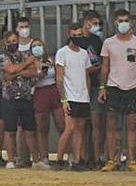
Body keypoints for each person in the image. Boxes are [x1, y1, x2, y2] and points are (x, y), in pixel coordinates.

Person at [99, 9, 136, 172]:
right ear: (115, 23)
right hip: (113, 86)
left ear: (131, 22)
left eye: (126, 20)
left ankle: (132, 160)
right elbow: (105, 67)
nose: (123, 23)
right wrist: (102, 87)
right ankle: (112, 160)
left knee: (132, 125)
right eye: (120, 20)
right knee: (111, 125)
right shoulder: (108, 43)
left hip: (132, 87)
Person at [54, 25, 92, 171]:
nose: (78, 37)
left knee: (80, 130)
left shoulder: (84, 53)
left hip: (82, 97)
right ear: (70, 36)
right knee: (69, 128)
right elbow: (59, 78)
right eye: (75, 35)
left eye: (80, 34)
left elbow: (86, 75)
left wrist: (86, 94)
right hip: (69, 96)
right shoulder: (62, 52)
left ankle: (77, 160)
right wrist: (63, 99)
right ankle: (59, 159)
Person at [1, 31, 38, 169]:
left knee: (30, 130)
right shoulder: (3, 56)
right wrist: (25, 65)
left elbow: (34, 72)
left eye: (14, 41)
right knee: (10, 131)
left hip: (26, 97)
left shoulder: (24, 55)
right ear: (5, 42)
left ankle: (35, 160)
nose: (12, 44)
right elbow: (9, 70)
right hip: (9, 98)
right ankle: (11, 160)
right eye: (9, 41)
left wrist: (18, 72)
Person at [31, 38, 65, 169]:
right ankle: (44, 157)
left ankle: (64, 155)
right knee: (42, 127)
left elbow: (58, 75)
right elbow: (30, 79)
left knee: (61, 124)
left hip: (53, 90)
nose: (37, 48)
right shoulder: (30, 62)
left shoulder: (51, 59)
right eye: (34, 46)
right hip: (39, 92)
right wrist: (38, 73)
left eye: (39, 45)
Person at [81, 10, 106, 169]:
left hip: (96, 85)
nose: (96, 27)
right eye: (94, 23)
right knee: (81, 125)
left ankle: (97, 158)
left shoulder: (97, 40)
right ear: (87, 22)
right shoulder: (75, 40)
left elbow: (102, 63)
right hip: (80, 87)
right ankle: (82, 158)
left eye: (98, 24)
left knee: (97, 123)